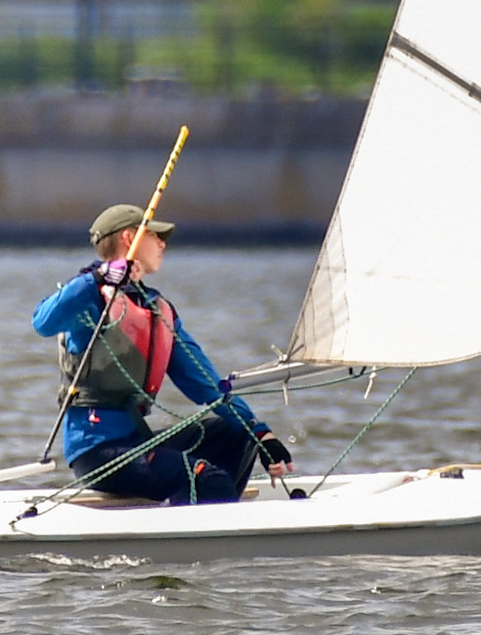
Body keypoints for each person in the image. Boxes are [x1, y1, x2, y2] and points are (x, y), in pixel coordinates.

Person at [34, 201, 295, 505]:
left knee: (238, 435)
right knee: (207, 479)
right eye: (155, 235)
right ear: (129, 239)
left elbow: (206, 384)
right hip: (97, 452)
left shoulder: (158, 311)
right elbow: (43, 321)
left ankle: (203, 509)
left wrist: (261, 434)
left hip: (139, 442)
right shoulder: (89, 297)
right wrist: (98, 277)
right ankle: (206, 512)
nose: (163, 243)